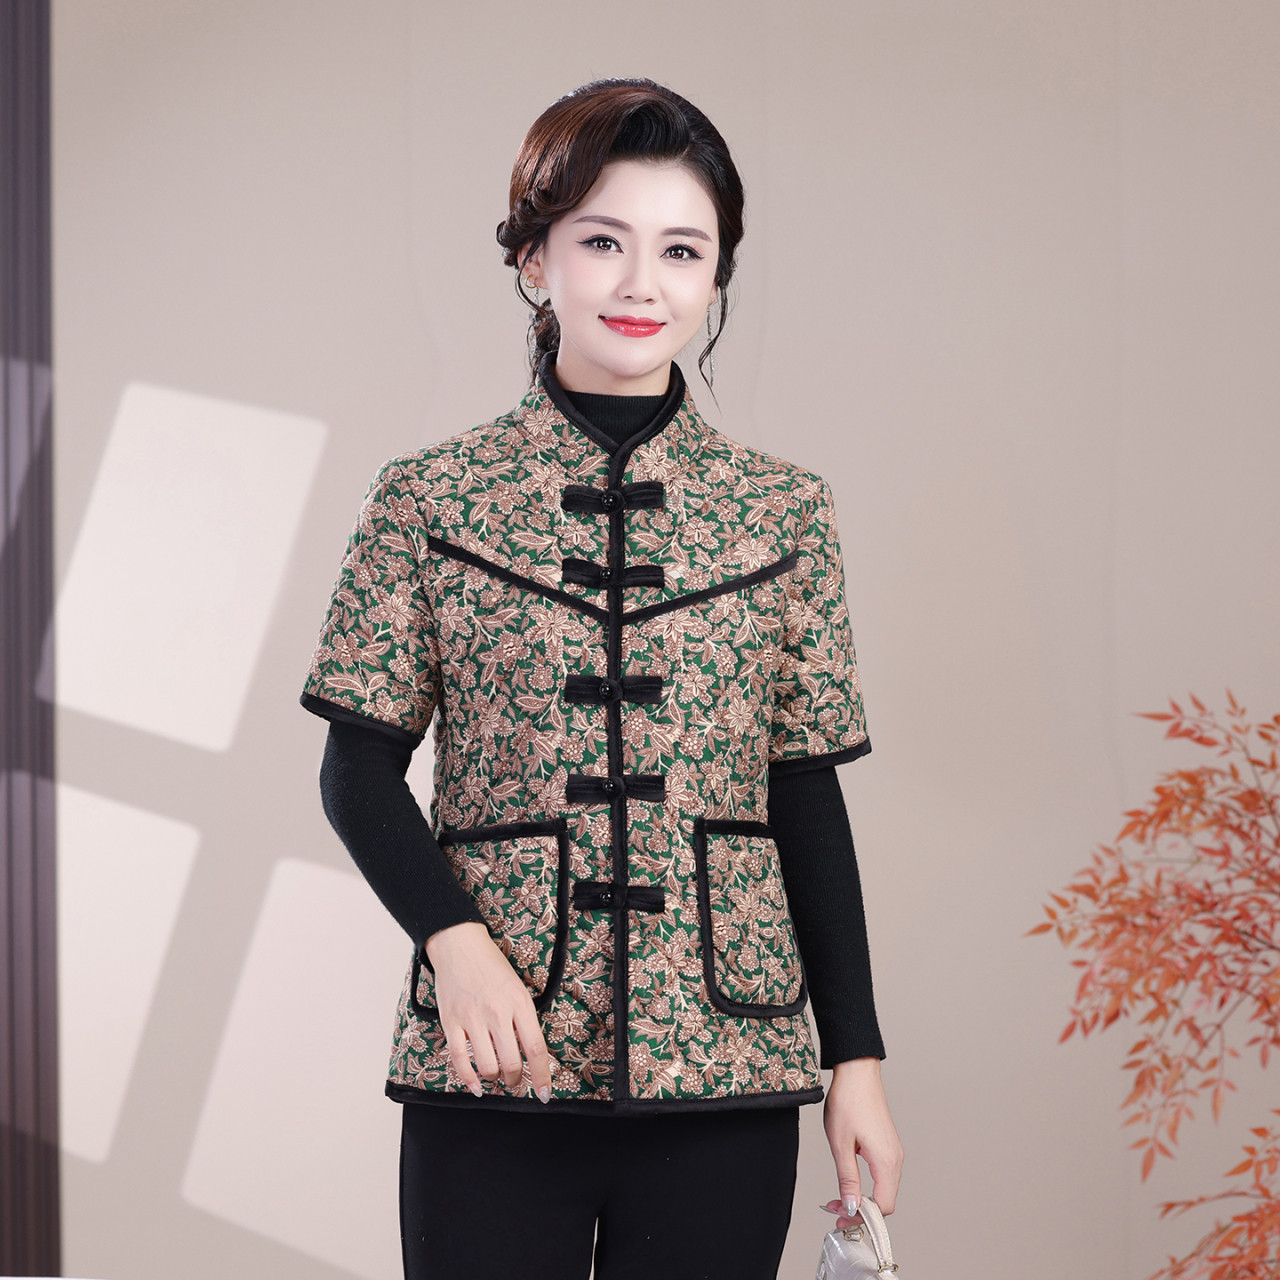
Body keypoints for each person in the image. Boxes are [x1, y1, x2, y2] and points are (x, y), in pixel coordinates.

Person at [301, 77, 903, 1280]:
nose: (641, 283)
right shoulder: (428, 497)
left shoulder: (784, 511)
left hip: (724, 1066)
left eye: (681, 250)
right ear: (535, 259)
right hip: (496, 1056)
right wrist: (454, 943)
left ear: (715, 276)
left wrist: (856, 1060)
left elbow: (802, 794)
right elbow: (355, 767)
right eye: (600, 241)